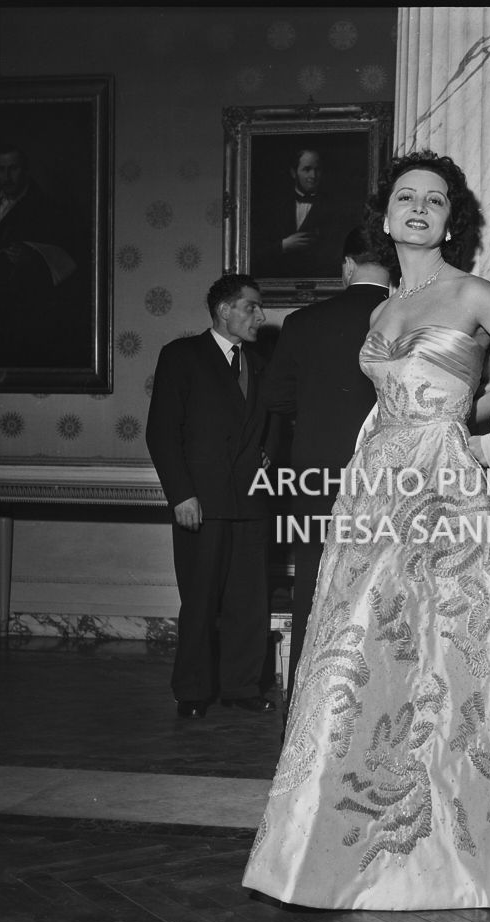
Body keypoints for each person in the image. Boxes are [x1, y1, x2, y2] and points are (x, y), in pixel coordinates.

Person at [242, 150, 490, 915]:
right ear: (385, 217)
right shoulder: (381, 310)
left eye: (436, 201)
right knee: (361, 652)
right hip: (377, 483)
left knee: (470, 646)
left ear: (453, 221)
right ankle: (344, 853)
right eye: (406, 198)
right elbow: (396, 401)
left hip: (443, 483)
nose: (419, 209)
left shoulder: (471, 292)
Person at [260, 226, 391, 716]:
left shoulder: (302, 322)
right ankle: (371, 716)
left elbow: (276, 398)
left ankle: (303, 718)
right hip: (388, 475)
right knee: (381, 596)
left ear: (346, 266)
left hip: (316, 476)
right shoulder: (403, 320)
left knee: (313, 592)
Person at [146, 274, 277, 719]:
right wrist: (181, 495)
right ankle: (193, 689)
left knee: (250, 602)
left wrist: (268, 455)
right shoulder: (181, 357)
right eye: (252, 307)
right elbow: (162, 433)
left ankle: (242, 686)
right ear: (224, 310)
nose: (261, 316)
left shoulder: (262, 362)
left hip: (252, 502)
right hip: (200, 503)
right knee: (200, 600)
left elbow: (276, 420)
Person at [0, 144, 79, 365]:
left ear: (25, 170)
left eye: (13, 168)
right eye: (1, 169)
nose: (7, 176)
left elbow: (68, 262)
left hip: (25, 313)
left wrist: (32, 257)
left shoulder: (47, 210)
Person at [251, 147, 345, 279]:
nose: (313, 176)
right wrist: (283, 246)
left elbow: (338, 253)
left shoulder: (335, 207)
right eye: (307, 169)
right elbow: (255, 253)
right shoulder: (275, 206)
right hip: (280, 282)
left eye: (317, 170)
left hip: (320, 281)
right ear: (294, 172)